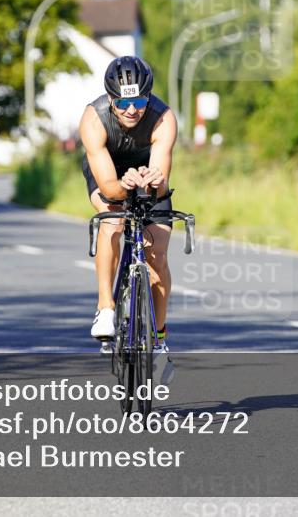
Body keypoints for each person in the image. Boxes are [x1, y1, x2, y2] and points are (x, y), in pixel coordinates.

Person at [78, 56, 177, 365]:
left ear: (149, 97)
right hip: (108, 174)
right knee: (114, 222)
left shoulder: (163, 118)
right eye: (122, 102)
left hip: (147, 173)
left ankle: (159, 338)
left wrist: (154, 182)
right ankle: (105, 308)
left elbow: (160, 184)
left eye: (140, 101)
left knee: (157, 254)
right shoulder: (94, 119)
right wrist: (124, 184)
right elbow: (109, 189)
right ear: (111, 98)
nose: (131, 109)